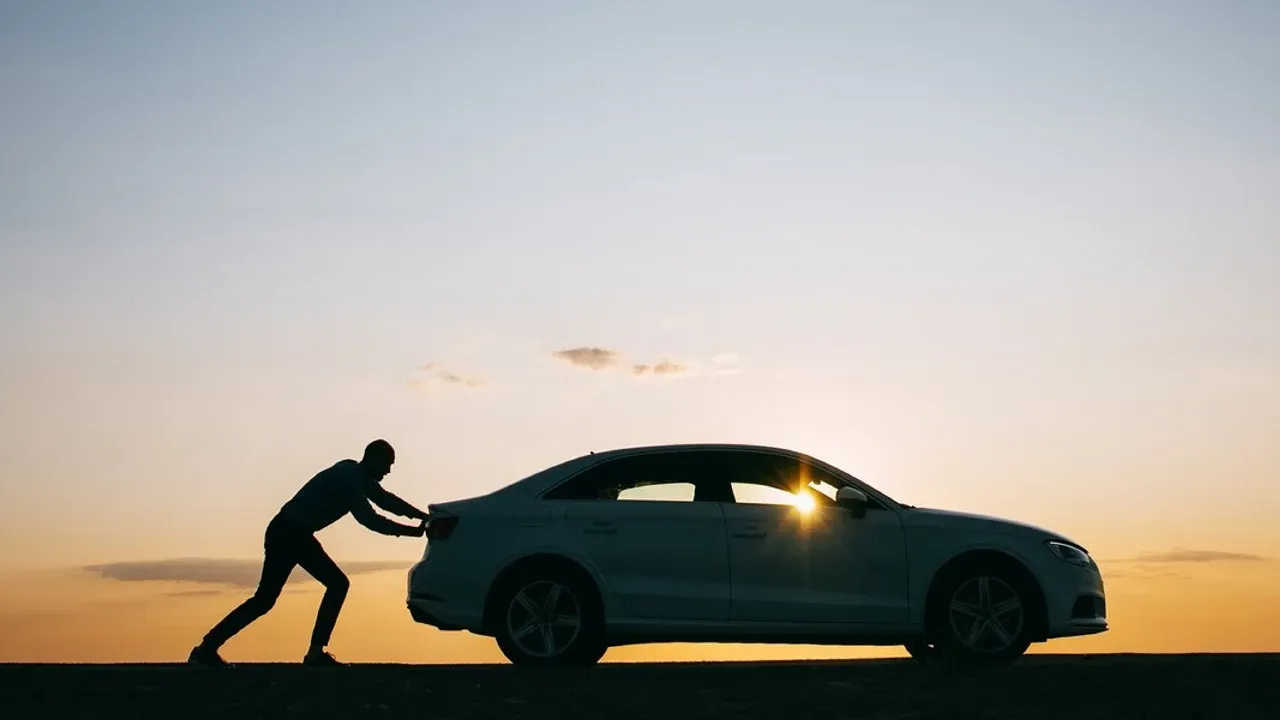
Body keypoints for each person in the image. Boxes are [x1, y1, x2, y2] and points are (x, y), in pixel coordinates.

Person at [188, 439, 428, 668]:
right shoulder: (350, 479)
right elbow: (370, 520)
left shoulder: (355, 474)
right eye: (387, 464)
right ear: (374, 459)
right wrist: (413, 532)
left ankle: (207, 649)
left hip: (295, 534)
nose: (388, 471)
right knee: (306, 591)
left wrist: (424, 518)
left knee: (276, 598)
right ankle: (311, 653)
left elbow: (386, 501)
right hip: (287, 533)